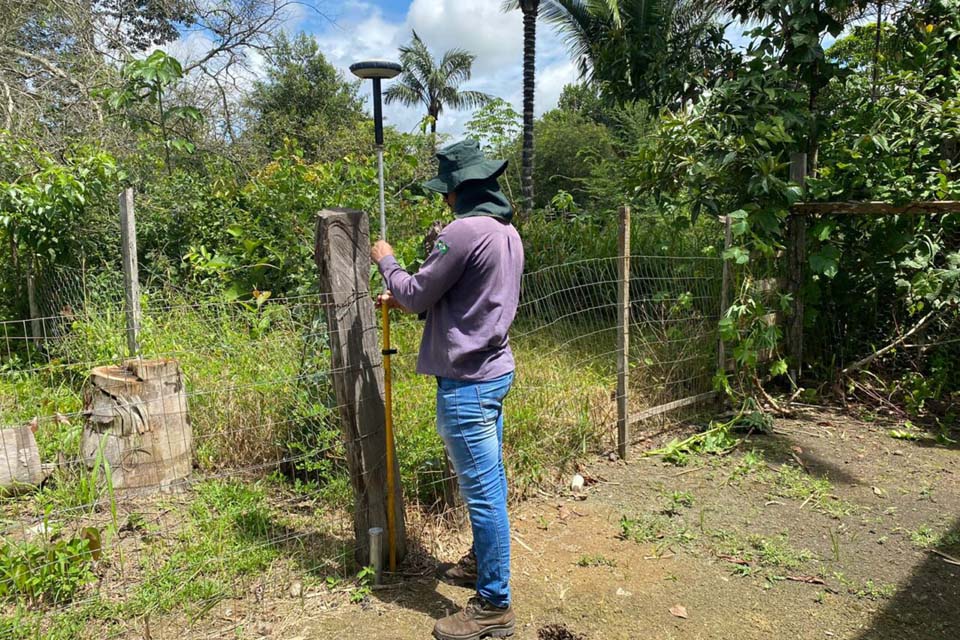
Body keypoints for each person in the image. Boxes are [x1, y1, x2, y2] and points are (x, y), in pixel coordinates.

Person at [370, 139, 523, 640]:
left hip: (466, 383)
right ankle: (482, 565)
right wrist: (405, 294)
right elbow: (463, 297)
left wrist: (387, 261)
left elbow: (416, 296)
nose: (444, 202)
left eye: (446, 193)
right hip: (495, 369)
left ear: (458, 191)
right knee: (490, 482)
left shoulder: (461, 232)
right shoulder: (506, 233)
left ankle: (494, 606)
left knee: (484, 495)